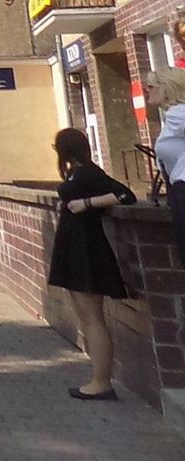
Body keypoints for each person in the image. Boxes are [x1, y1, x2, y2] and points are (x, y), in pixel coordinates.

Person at [48, 128, 136, 401]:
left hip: (86, 248)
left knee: (92, 317)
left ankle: (102, 382)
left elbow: (124, 194)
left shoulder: (87, 172)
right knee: (87, 316)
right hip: (76, 246)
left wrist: (86, 203)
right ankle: (98, 378)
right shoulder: (78, 171)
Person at [148, 68, 185, 265]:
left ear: (167, 89)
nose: (148, 90)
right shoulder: (174, 116)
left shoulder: (179, 114)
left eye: (151, 86)